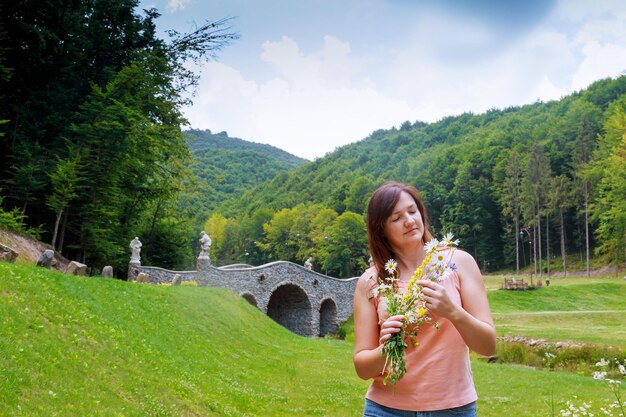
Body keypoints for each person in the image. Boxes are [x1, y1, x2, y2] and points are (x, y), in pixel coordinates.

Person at [353, 181, 496, 417]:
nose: (409, 221)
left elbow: (488, 346)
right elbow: (362, 367)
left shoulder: (459, 262)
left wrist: (453, 312)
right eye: (396, 218)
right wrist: (389, 346)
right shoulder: (371, 281)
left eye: (412, 211)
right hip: (386, 409)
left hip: (453, 409)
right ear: (381, 229)